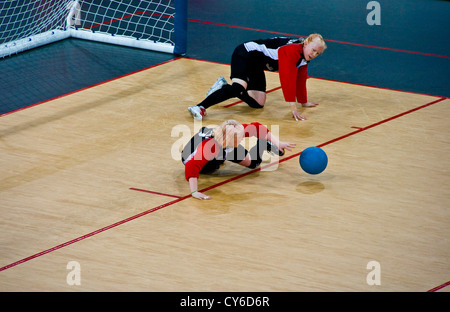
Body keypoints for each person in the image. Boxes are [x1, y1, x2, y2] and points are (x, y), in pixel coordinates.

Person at [188, 34, 327, 122]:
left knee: (258, 104)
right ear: (306, 43)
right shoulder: (291, 51)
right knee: (237, 88)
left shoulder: (304, 58)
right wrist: (293, 107)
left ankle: (223, 87)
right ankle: (199, 106)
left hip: (257, 65)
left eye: (318, 53)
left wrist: (303, 102)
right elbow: (287, 78)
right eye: (313, 50)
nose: (314, 54)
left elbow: (300, 79)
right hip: (245, 55)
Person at [181, 120, 296, 200]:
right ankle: (218, 161)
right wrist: (194, 192)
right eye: (240, 138)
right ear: (231, 139)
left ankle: (263, 144)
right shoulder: (210, 147)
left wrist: (278, 143)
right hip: (196, 159)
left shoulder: (233, 131)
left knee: (253, 163)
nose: (242, 139)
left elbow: (257, 127)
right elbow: (191, 165)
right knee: (210, 168)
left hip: (222, 145)